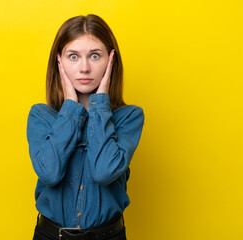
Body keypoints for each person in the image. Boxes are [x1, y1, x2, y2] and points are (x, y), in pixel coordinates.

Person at [27, 14, 145, 240]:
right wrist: (71, 107)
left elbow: (104, 171)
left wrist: (100, 104)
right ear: (59, 62)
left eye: (94, 56)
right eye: (73, 56)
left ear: (111, 62)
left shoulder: (129, 117)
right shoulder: (41, 115)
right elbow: (50, 174)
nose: (84, 68)